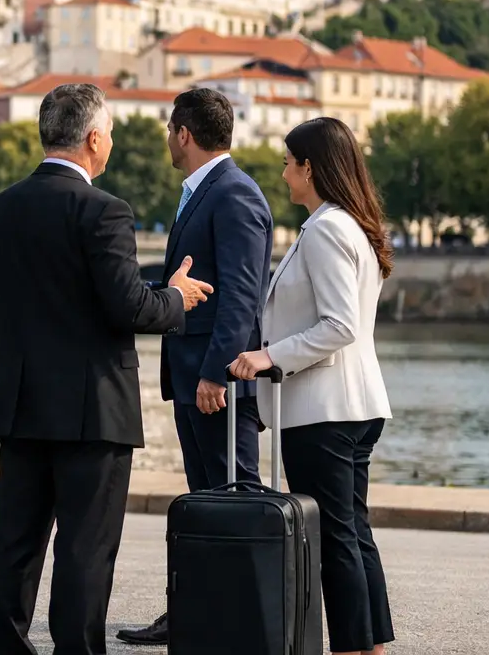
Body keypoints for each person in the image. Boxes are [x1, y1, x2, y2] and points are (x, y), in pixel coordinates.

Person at [0, 83, 214, 655]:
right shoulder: (104, 211)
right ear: (94, 139)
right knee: (85, 548)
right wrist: (174, 296)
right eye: (113, 135)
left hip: (22, 407)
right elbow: (128, 305)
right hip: (94, 413)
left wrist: (8, 382)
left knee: (14, 542)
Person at [229, 116, 395, 655]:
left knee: (334, 542)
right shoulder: (353, 225)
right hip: (356, 401)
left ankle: (350, 648)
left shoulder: (326, 229)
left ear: (310, 167)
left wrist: (267, 356)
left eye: (287, 163)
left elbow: (339, 325)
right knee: (354, 536)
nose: (282, 174)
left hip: (323, 409)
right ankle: (369, 647)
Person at [117, 87, 274, 648]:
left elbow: (240, 296)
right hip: (194, 374)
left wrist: (217, 373)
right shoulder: (205, 191)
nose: (167, 138)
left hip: (215, 380)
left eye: (168, 129)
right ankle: (196, 611)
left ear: (183, 133)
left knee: (235, 497)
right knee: (208, 502)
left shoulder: (233, 194)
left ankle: (249, 617)